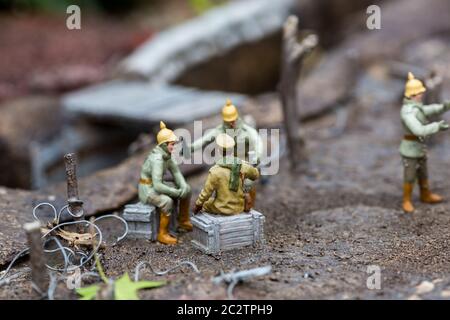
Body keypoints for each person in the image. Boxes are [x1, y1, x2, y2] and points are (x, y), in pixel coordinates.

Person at [189, 99, 263, 209]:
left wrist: (257, 156)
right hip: (226, 163)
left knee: (248, 184)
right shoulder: (220, 131)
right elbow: (204, 140)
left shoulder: (246, 131)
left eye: (233, 120)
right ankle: (226, 205)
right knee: (221, 182)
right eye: (229, 121)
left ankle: (249, 207)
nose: (232, 123)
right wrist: (190, 148)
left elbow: (258, 141)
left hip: (245, 162)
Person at [400, 72, 450, 213]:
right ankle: (406, 200)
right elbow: (418, 130)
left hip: (420, 148)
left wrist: (444, 107)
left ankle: (425, 195)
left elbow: (429, 109)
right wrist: (437, 126)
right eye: (419, 93)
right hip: (410, 148)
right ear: (412, 94)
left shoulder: (417, 107)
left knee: (423, 173)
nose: (421, 95)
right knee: (410, 176)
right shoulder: (408, 111)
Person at [139, 121, 192, 244]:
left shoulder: (167, 155)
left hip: (157, 185)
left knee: (187, 190)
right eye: (172, 144)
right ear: (163, 145)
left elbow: (176, 173)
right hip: (147, 189)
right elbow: (157, 185)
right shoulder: (157, 159)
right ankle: (162, 234)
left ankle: (183, 221)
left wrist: (183, 186)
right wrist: (175, 192)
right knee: (167, 201)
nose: (174, 147)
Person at [193, 133, 259, 215]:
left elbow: (206, 193)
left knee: (207, 203)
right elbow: (255, 175)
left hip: (221, 208)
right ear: (232, 150)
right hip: (239, 207)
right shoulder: (242, 166)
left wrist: (198, 204)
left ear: (219, 151)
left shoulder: (215, 171)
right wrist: (249, 166)